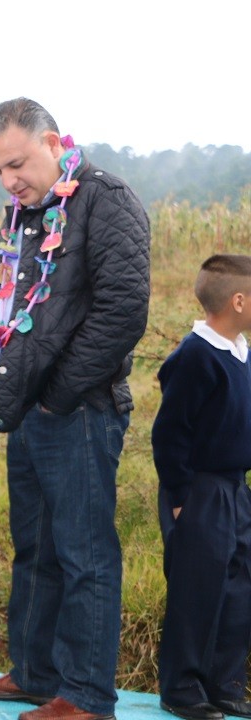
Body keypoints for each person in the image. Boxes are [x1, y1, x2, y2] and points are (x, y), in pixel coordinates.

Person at [0, 98, 150, 720]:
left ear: (55, 141)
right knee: (34, 548)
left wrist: (60, 393)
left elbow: (123, 310)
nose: (9, 180)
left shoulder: (104, 199)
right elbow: (5, 300)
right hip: (30, 407)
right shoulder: (26, 211)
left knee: (84, 553)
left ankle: (86, 697)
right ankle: (35, 674)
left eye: (17, 163)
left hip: (81, 409)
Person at [151, 255, 251, 720]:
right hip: (199, 491)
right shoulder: (194, 356)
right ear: (238, 300)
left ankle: (224, 682)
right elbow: (170, 433)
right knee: (197, 589)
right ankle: (182, 687)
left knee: (237, 587)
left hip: (235, 489)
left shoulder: (242, 351)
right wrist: (178, 497)